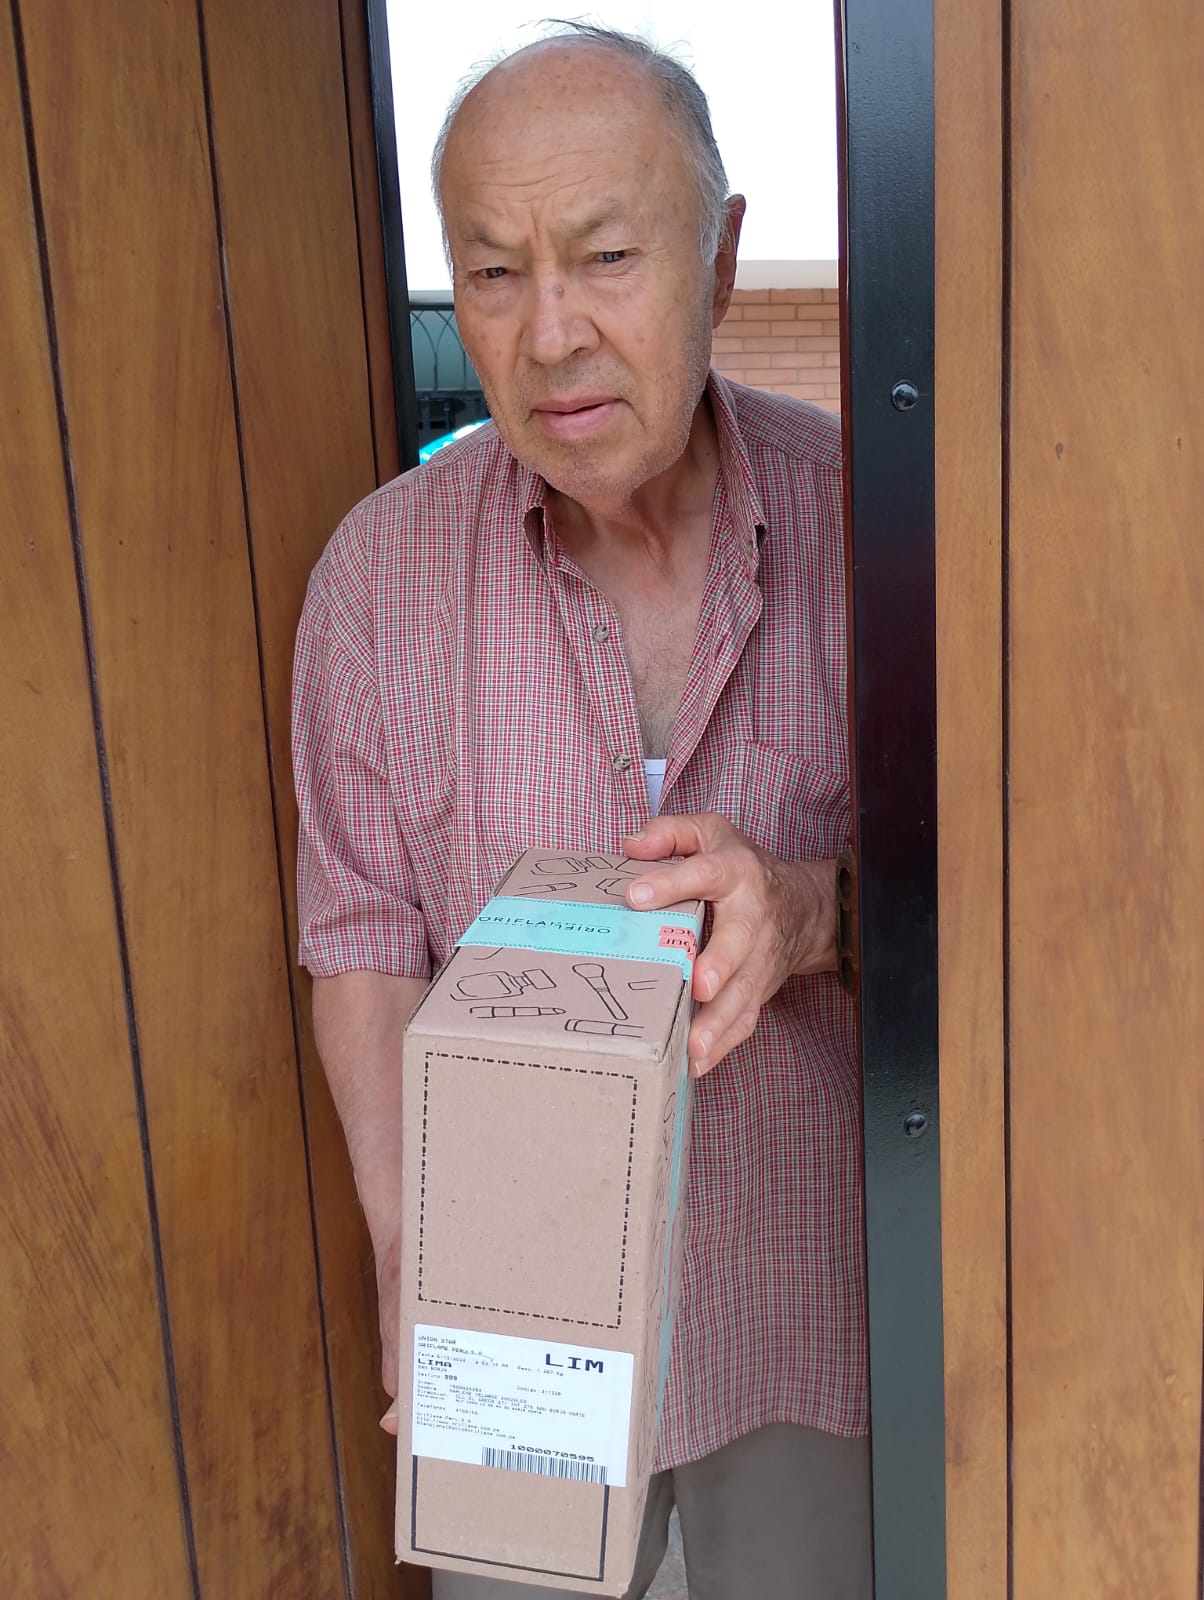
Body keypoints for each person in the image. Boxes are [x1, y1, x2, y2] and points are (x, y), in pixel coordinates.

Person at [292, 22, 870, 1599]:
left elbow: (1005, 884)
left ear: (721, 255)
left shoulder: (874, 526)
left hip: (802, 1308)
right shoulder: (378, 578)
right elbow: (363, 941)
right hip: (515, 1329)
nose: (551, 333)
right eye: (493, 272)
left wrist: (809, 912)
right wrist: (412, 1262)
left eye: (608, 256)